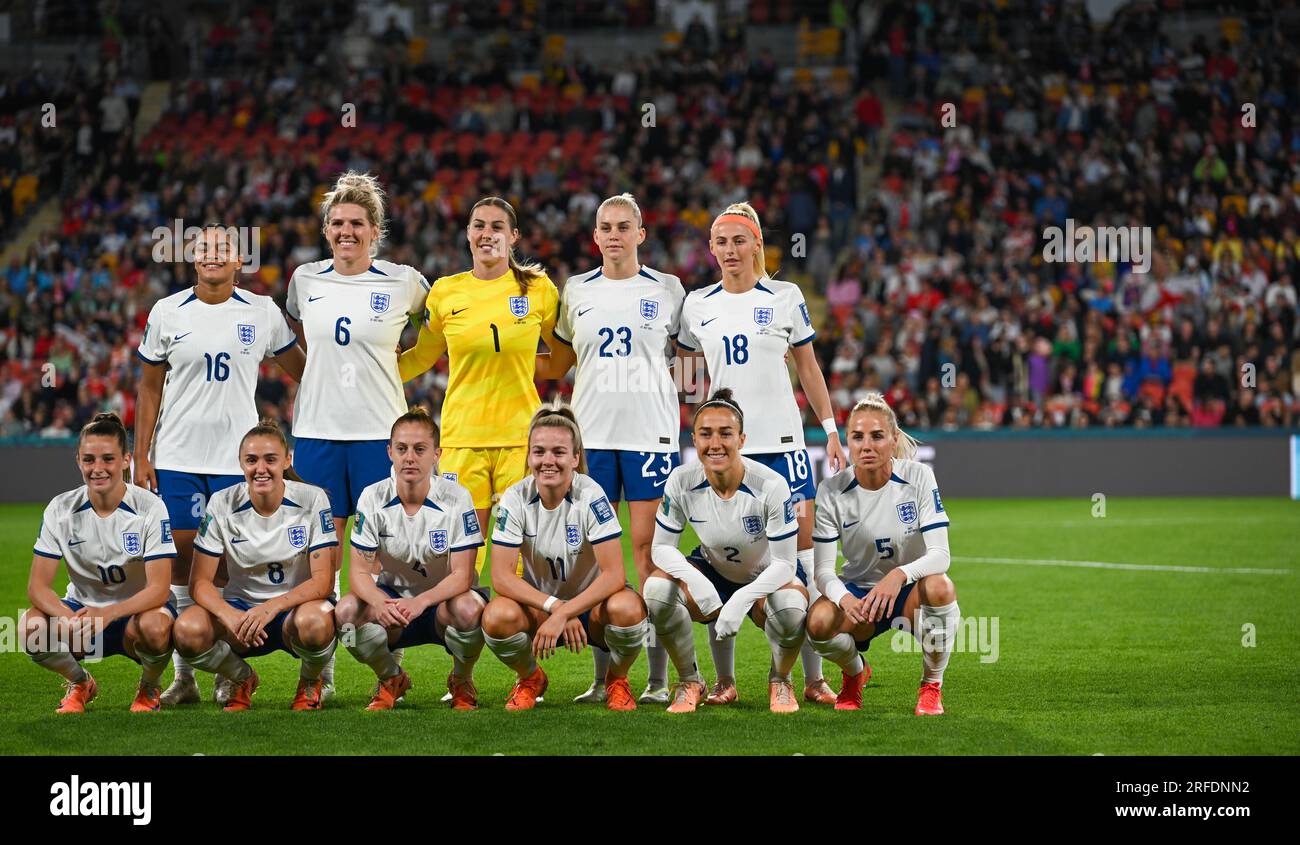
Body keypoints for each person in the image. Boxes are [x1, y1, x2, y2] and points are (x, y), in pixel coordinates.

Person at [677, 201, 846, 706]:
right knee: (722, 554)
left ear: (757, 244)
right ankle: (725, 681)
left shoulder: (786, 296)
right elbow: (687, 377)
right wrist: (687, 428)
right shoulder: (697, 305)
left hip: (785, 449)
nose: (730, 250)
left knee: (803, 564)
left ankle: (807, 678)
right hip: (725, 452)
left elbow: (809, 370)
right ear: (711, 248)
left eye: (739, 240)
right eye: (721, 242)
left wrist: (831, 428)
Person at [135, 223, 305, 706]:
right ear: (192, 259)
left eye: (222, 248)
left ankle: (225, 672)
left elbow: (305, 373)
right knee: (184, 566)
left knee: (227, 568)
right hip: (178, 457)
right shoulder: (167, 312)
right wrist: (141, 454)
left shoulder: (262, 311)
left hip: (240, 462)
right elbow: (149, 387)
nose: (211, 255)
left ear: (238, 261)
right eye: (203, 248)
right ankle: (187, 676)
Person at [284, 171, 431, 698]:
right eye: (338, 223)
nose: (347, 231)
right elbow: (300, 353)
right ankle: (316, 677)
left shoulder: (405, 282)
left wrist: (401, 369)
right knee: (319, 557)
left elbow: (438, 332)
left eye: (358, 223)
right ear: (327, 230)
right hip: (319, 433)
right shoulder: (304, 280)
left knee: (377, 559)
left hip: (378, 434)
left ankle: (385, 672)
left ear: (376, 230)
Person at [535, 192, 685, 704]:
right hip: (592, 437)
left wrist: (674, 402)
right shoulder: (575, 290)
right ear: (595, 236)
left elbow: (686, 361)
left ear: (641, 234)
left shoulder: (668, 288)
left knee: (650, 556)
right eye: (606, 227)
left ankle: (660, 680)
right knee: (597, 560)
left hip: (651, 437)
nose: (615, 234)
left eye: (625, 226)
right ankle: (603, 679)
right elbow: (555, 362)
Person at [399, 196, 561, 576]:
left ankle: (515, 627)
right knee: (463, 554)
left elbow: (563, 357)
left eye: (497, 227)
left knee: (521, 552)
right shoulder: (444, 291)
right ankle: (464, 630)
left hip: (521, 438)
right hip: (461, 437)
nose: (487, 234)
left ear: (514, 236)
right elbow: (422, 357)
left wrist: (515, 361)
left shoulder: (538, 289)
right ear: (468, 234)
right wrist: (373, 370)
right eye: (479, 226)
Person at [643, 389, 809, 714]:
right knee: (656, 590)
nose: (715, 443)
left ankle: (781, 680)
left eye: (725, 434)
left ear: (742, 439)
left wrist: (740, 599)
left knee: (790, 606)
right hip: (713, 568)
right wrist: (699, 582)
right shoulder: (680, 480)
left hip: (767, 575)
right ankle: (691, 680)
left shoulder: (771, 485)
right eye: (706, 434)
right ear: (693, 439)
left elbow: (786, 564)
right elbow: (661, 548)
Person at [481, 404, 648, 711]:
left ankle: (617, 679)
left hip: (593, 610)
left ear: (574, 458)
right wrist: (556, 609)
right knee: (495, 616)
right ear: (529, 456)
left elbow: (614, 576)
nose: (548, 461)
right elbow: (501, 577)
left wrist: (568, 611)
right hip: (541, 611)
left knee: (628, 609)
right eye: (539, 451)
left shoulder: (591, 495)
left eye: (558, 452)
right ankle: (530, 678)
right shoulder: (514, 499)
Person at [807, 393, 960, 715]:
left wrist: (899, 575)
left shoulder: (918, 476)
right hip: (861, 595)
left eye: (877, 436)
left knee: (940, 586)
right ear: (848, 441)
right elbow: (822, 571)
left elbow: (941, 555)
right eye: (858, 437)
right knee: (818, 623)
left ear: (893, 440)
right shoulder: (832, 490)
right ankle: (854, 674)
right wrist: (843, 599)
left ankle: (931, 685)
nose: (866, 445)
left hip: (908, 593)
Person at [172, 420, 338, 711]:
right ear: (241, 463)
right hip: (241, 611)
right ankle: (242, 677)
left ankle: (311, 681)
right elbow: (199, 582)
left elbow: (323, 582)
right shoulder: (222, 503)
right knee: (187, 631)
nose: (260, 469)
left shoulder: (313, 499)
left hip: (295, 612)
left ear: (287, 460)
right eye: (251, 460)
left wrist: (271, 606)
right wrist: (230, 614)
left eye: (270, 459)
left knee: (314, 623)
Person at [22, 413, 177, 713]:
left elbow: (159, 589)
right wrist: (68, 618)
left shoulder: (151, 506)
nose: (98, 468)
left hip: (138, 615)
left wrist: (108, 614)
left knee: (157, 628)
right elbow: (37, 588)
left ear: (125, 460)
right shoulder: (60, 508)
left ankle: (149, 687)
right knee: (31, 627)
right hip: (82, 612)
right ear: (78, 460)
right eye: (89, 459)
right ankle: (80, 683)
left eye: (108, 459)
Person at [336, 407, 488, 711]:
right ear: (389, 451)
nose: (410, 457)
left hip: (443, 604)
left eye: (420, 449)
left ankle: (461, 679)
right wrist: (379, 602)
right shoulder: (371, 496)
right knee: (345, 618)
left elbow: (462, 574)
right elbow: (359, 573)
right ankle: (390, 677)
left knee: (472, 610)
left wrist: (422, 602)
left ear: (437, 454)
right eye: (402, 449)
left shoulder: (457, 497)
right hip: (392, 603)